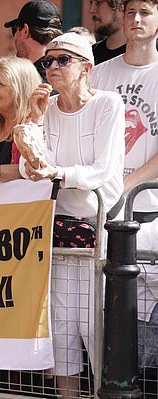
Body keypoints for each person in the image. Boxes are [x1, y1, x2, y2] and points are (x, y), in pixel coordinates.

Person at [23, 32, 125, 399]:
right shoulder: (45, 107)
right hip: (56, 224)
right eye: (48, 61)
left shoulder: (107, 104)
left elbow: (103, 170)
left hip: (98, 224)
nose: (52, 67)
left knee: (94, 324)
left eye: (63, 60)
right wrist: (32, 118)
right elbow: (32, 161)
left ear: (87, 67)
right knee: (61, 322)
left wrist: (59, 173)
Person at [90, 0, 158, 377]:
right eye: (131, 12)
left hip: (149, 209)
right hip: (103, 211)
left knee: (146, 320)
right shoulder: (99, 75)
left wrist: (126, 184)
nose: (136, 20)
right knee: (102, 312)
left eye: (145, 13)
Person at [0, 0, 63, 120]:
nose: (14, 38)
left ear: (25, 30)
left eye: (14, 30)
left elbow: (0, 132)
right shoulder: (67, 72)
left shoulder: (19, 77)